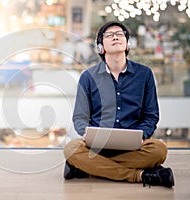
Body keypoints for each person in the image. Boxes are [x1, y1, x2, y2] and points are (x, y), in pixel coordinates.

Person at [63, 21, 175, 188]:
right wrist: (86, 133)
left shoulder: (144, 74)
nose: (115, 36)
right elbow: (80, 117)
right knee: (71, 148)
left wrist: (141, 135)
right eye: (109, 35)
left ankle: (87, 168)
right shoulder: (88, 77)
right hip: (97, 146)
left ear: (127, 43)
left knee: (159, 149)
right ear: (100, 47)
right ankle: (140, 175)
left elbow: (151, 116)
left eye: (120, 33)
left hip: (134, 146)